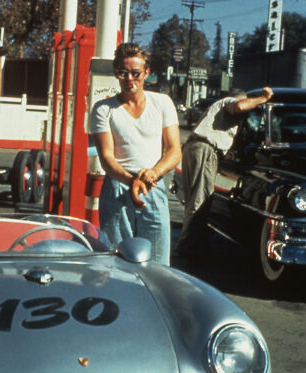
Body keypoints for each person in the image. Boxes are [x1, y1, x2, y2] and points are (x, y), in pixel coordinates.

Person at [89, 43, 181, 265]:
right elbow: (107, 159)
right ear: (116, 73)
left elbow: (174, 150)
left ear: (146, 73)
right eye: (123, 72)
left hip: (153, 186)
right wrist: (132, 181)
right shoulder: (103, 109)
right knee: (117, 260)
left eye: (136, 73)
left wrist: (152, 174)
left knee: (158, 263)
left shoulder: (162, 103)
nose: (129, 78)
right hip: (118, 188)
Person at [175, 87, 274, 257]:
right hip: (205, 149)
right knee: (200, 200)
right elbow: (240, 107)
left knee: (195, 199)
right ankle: (187, 248)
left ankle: (197, 242)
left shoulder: (218, 110)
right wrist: (263, 98)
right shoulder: (229, 102)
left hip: (194, 148)